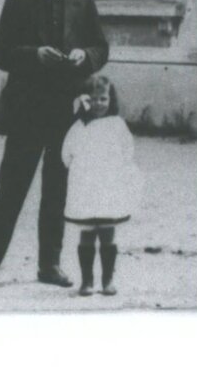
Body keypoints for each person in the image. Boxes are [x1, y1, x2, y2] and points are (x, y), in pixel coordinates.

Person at [0, 0, 109, 292]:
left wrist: (85, 57)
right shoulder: (17, 3)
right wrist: (34, 55)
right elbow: (0, 53)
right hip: (26, 113)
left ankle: (50, 265)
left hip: (67, 112)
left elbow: (101, 47)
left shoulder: (83, 2)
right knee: (11, 191)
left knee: (56, 193)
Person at [62, 77, 142, 297]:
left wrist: (116, 172)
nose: (98, 103)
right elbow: (66, 155)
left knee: (107, 234)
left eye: (103, 98)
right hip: (85, 191)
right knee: (87, 234)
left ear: (111, 99)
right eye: (93, 99)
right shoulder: (78, 127)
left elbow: (128, 152)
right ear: (84, 100)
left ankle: (107, 281)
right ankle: (87, 281)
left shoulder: (117, 125)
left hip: (109, 191)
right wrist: (82, 172)